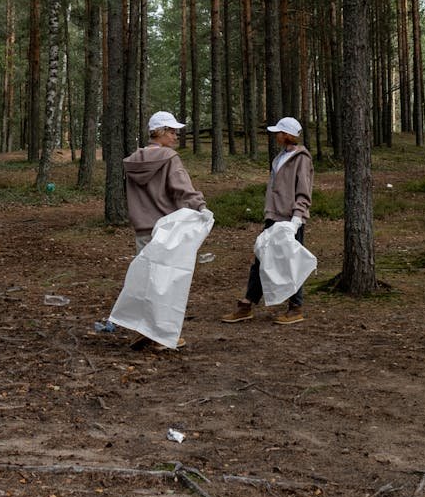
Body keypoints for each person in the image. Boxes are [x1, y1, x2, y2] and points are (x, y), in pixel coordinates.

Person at [121, 110, 207, 350]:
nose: (175, 136)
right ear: (159, 132)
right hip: (166, 229)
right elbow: (182, 188)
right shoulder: (169, 158)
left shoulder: (133, 161)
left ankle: (142, 330)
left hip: (142, 229)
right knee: (166, 283)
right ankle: (161, 335)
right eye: (172, 131)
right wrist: (200, 207)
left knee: (146, 280)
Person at [221, 116, 312, 326]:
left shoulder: (301, 159)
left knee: (291, 262)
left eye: (279, 132)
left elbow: (304, 191)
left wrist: (297, 218)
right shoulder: (280, 157)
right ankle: (247, 303)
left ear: (287, 135)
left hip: (290, 220)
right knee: (261, 258)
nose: (276, 135)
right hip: (274, 216)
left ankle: (296, 307)